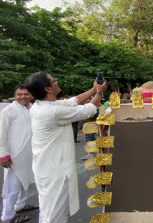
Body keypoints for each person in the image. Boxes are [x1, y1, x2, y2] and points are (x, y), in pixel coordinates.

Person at [24, 72, 108, 223]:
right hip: (56, 171)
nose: (57, 82)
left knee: (48, 210)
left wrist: (93, 89)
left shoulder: (41, 105)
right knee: (54, 215)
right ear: (48, 89)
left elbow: (73, 101)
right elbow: (86, 110)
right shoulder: (51, 111)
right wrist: (100, 93)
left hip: (47, 167)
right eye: (53, 81)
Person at [0, 85, 37, 223]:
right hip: (14, 155)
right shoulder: (8, 111)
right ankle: (7, 216)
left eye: (26, 94)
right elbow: (1, 134)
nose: (22, 97)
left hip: (30, 154)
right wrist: (3, 154)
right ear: (14, 96)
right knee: (12, 187)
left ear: (31, 95)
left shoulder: (33, 108)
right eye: (19, 94)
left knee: (25, 181)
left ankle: (20, 206)